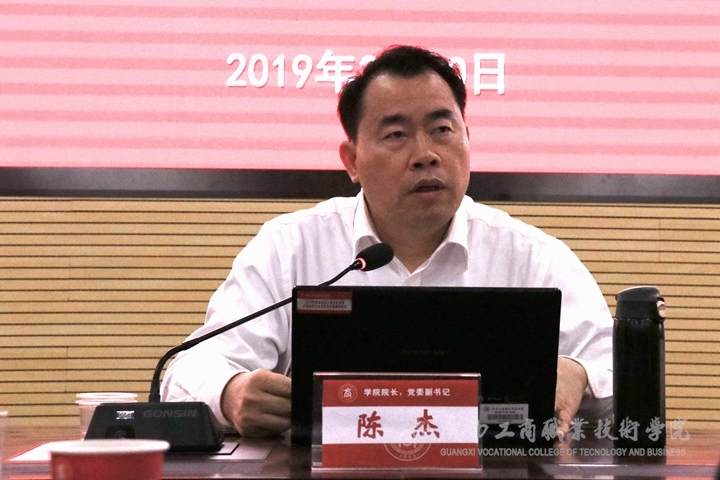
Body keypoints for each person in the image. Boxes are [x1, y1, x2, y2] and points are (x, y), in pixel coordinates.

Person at [161, 45, 613, 440]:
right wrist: (231, 391)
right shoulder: (289, 248)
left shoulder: (532, 256)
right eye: (396, 135)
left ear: (467, 139)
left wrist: (580, 374)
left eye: (442, 129)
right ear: (352, 160)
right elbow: (190, 368)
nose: (426, 154)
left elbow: (617, 366)